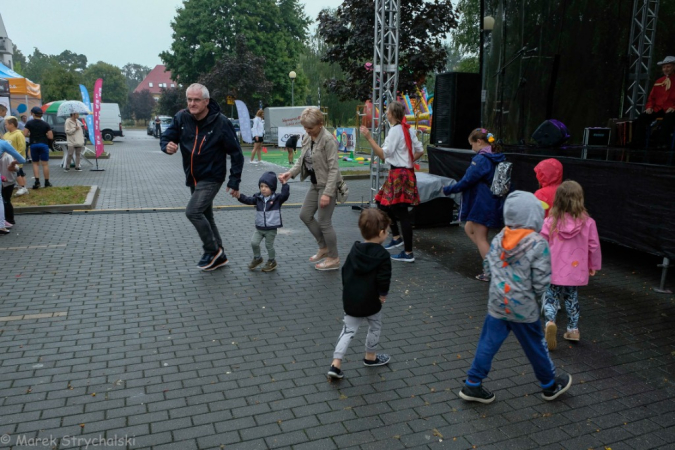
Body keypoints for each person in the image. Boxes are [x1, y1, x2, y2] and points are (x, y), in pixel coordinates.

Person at [459, 191, 572, 404]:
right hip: (523, 308)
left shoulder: (500, 237)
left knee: (488, 343)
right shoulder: (538, 243)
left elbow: (488, 267)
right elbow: (541, 280)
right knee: (535, 346)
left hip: (497, 303)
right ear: (533, 216)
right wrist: (534, 295)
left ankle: (472, 384)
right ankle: (549, 385)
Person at [160, 83, 244, 271]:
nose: (192, 103)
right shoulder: (181, 118)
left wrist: (234, 180)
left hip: (212, 176)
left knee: (193, 212)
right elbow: (166, 137)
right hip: (193, 177)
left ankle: (211, 250)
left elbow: (236, 153)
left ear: (206, 101)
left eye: (196, 100)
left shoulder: (221, 122)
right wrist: (167, 146)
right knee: (206, 215)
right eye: (189, 99)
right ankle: (219, 254)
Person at [327, 208, 392, 380]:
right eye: (387, 231)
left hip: (352, 299)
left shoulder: (355, 250)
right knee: (375, 326)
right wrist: (382, 294)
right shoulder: (383, 255)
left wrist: (347, 291)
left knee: (347, 331)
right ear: (381, 232)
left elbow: (345, 271)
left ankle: (336, 364)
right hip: (371, 301)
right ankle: (370, 356)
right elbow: (383, 279)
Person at [278, 107, 344, 271]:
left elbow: (334, 169)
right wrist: (290, 173)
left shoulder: (328, 140)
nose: (307, 131)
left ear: (320, 124)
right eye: (305, 127)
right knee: (305, 215)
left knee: (324, 222)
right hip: (315, 184)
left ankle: (333, 258)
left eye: (310, 127)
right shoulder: (308, 137)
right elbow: (302, 160)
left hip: (327, 185)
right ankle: (323, 247)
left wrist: (328, 193)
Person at [359, 101, 424, 262]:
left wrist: (369, 138)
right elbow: (420, 150)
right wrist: (408, 162)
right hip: (404, 173)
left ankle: (408, 252)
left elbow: (383, 154)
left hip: (398, 174)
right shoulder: (408, 130)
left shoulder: (396, 131)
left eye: (387, 112)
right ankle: (396, 237)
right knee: (383, 204)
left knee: (401, 213)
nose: (386, 114)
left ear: (393, 114)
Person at [541, 181, 601, 350]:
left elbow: (541, 244)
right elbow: (593, 246)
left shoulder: (549, 222)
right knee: (571, 297)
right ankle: (573, 329)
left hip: (553, 270)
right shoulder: (588, 223)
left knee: (551, 298)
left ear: (557, 200)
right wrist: (593, 264)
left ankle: (550, 323)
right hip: (575, 271)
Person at [441, 128, 506, 281]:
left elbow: (467, 180)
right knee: (470, 229)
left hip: (481, 202)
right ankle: (493, 259)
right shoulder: (496, 156)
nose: (472, 148)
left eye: (472, 144)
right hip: (491, 200)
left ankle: (493, 269)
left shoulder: (482, 159)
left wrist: (448, 189)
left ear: (479, 141)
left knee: (481, 238)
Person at [235, 171, 290, 273]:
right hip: (259, 228)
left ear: (272, 188)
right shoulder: (258, 198)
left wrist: (284, 184)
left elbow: (285, 195)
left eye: (266, 186)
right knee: (254, 243)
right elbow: (248, 200)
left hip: (271, 229)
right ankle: (257, 258)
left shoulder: (277, 199)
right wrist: (239, 196)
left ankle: (272, 261)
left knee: (269, 245)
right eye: (261, 186)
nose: (263, 189)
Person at [632, 56, 675, 148]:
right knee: (643, 117)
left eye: (668, 66)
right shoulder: (659, 82)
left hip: (672, 109)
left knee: (669, 118)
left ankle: (662, 143)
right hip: (659, 108)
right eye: (664, 67)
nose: (665, 69)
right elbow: (651, 98)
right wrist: (649, 107)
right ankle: (638, 144)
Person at [23, 106, 53, 189]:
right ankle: (47, 182)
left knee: (35, 163)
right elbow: (50, 136)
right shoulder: (46, 124)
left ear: (33, 114)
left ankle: (37, 182)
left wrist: (31, 134)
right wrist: (44, 135)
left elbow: (24, 134)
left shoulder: (29, 123)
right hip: (43, 144)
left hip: (34, 144)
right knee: (45, 164)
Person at [2, 117, 28, 196]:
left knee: (18, 172)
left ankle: (22, 187)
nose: (5, 126)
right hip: (7, 159)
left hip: (16, 158)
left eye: (6, 124)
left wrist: (16, 156)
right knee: (20, 173)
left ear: (12, 124)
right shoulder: (6, 135)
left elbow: (22, 147)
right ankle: (23, 187)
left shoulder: (19, 134)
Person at [0, 151, 19, 228]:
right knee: (4, 200)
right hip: (3, 181)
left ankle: (9, 219)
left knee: (6, 200)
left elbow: (16, 168)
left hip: (9, 181)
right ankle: (5, 219)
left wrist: (12, 165)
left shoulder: (8, 157)